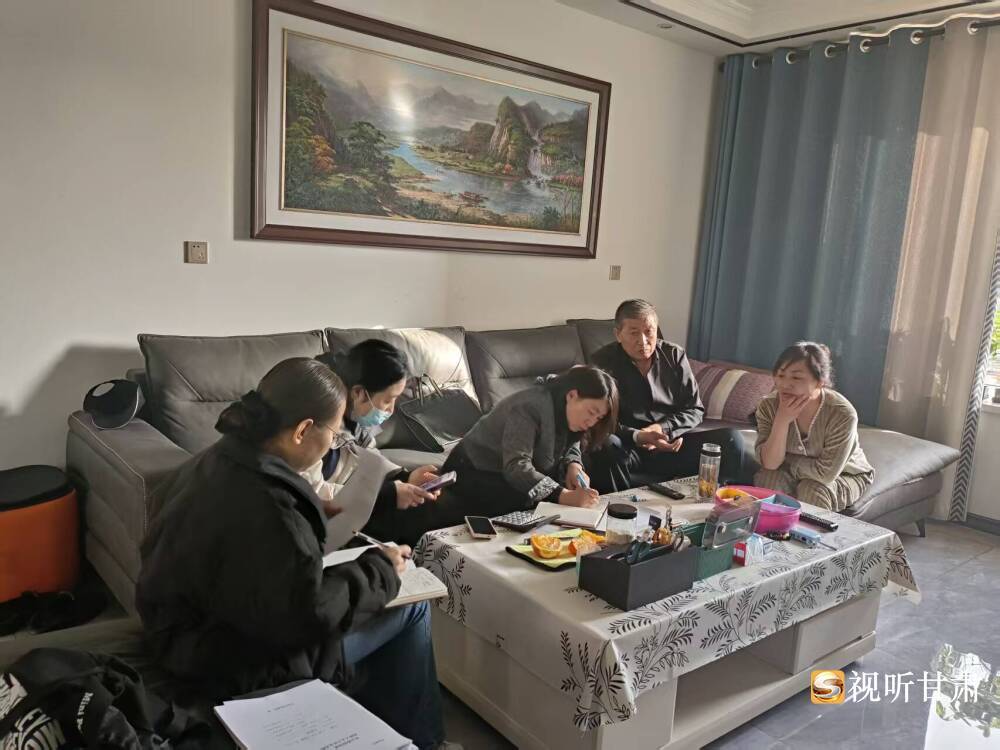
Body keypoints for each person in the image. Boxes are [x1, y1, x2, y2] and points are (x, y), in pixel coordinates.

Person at [136, 358, 456, 750]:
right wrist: (380, 568)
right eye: (334, 434)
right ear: (303, 430)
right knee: (410, 608)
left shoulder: (214, 462)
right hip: (227, 660)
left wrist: (311, 515)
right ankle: (425, 741)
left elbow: (249, 553)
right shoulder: (270, 506)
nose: (332, 445)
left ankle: (378, 721)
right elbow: (309, 615)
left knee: (366, 591)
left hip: (181, 631)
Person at [586, 299, 751, 492]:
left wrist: (665, 429)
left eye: (649, 331)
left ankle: (719, 500)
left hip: (672, 444)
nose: (643, 341)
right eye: (634, 333)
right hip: (629, 447)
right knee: (605, 445)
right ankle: (621, 505)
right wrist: (640, 436)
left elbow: (695, 409)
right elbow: (598, 420)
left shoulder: (674, 355)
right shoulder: (601, 363)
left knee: (731, 439)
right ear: (618, 334)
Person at [440, 366, 619, 515]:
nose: (591, 422)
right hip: (474, 469)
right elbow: (516, 466)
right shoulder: (529, 407)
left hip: (506, 470)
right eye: (591, 412)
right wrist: (562, 495)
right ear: (572, 395)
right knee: (527, 503)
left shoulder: (567, 408)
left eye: (598, 418)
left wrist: (574, 465)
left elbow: (572, 440)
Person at [313, 341, 442, 516]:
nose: (391, 410)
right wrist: (387, 495)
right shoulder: (317, 427)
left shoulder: (354, 422)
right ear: (358, 393)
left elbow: (374, 463)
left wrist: (407, 478)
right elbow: (314, 495)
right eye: (388, 400)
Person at [754, 342, 874, 511]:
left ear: (820, 382)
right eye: (780, 375)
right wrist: (781, 420)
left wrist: (788, 462)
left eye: (796, 378)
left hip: (845, 474)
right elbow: (771, 463)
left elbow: (825, 474)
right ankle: (769, 528)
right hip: (788, 470)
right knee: (769, 481)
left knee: (812, 490)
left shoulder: (842, 414)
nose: (785, 384)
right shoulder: (769, 406)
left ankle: (811, 530)